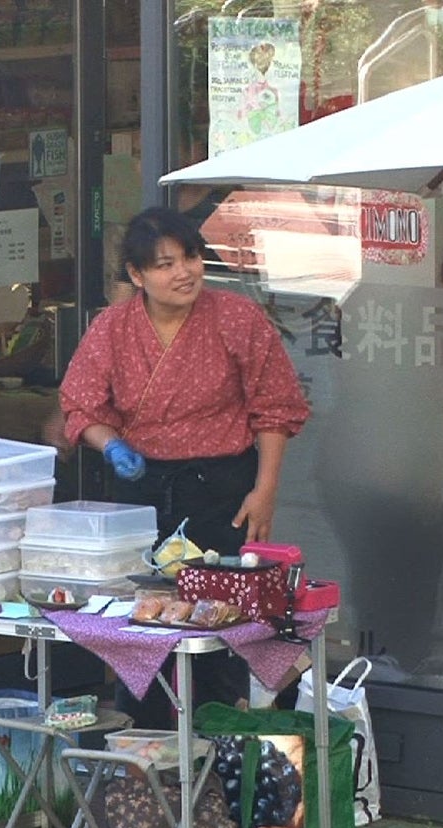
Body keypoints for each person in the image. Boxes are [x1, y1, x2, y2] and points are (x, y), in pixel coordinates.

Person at [58, 205, 311, 728]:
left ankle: (218, 751)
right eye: (165, 264)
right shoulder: (112, 328)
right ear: (137, 276)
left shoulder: (237, 318)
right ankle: (149, 750)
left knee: (219, 623)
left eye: (191, 257)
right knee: (142, 623)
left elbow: (275, 408)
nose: (184, 272)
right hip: (143, 492)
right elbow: (81, 408)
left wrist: (265, 491)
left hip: (223, 492)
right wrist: (110, 446)